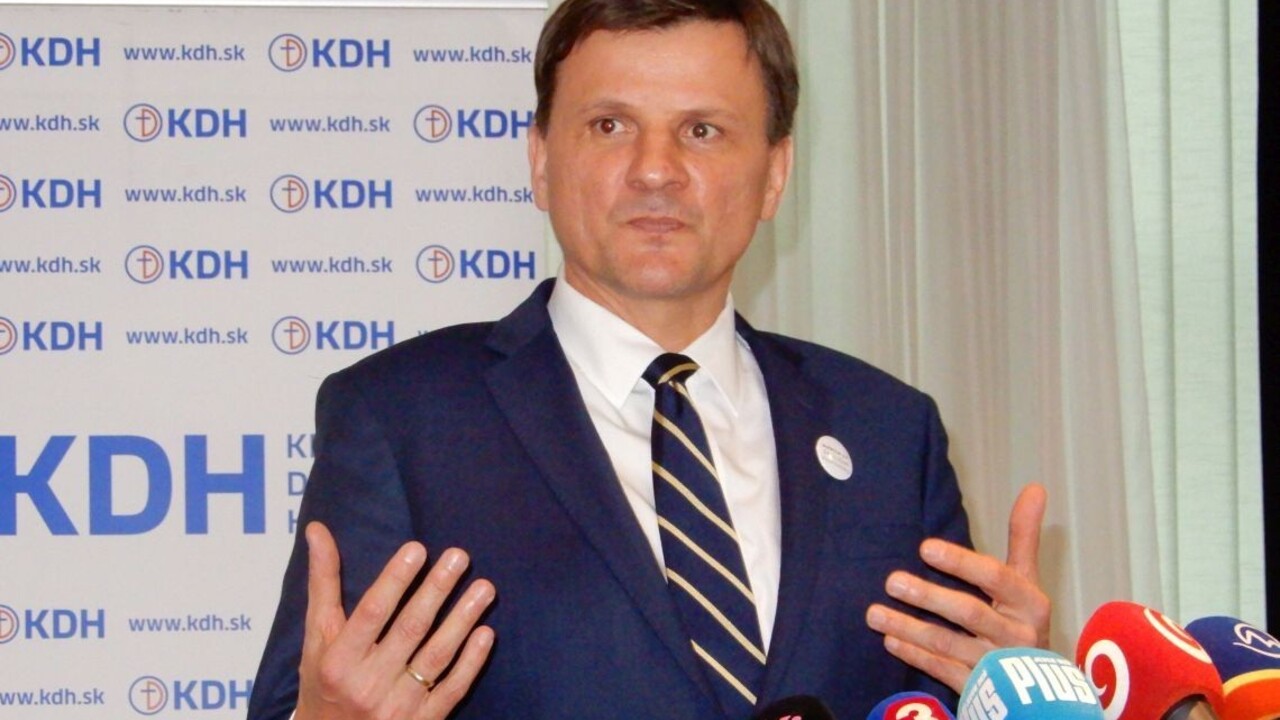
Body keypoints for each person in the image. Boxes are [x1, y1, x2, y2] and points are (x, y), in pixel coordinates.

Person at [248, 2, 1051, 719]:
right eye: (610, 126)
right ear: (540, 160)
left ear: (775, 174)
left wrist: (1018, 702)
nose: (655, 170)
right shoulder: (403, 420)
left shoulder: (889, 432)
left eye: (702, 130)